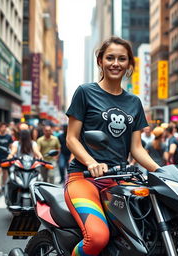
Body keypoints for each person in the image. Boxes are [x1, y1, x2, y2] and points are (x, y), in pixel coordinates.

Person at [65, 36, 160, 256]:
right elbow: (71, 138)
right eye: (110, 58)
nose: (115, 63)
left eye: (121, 59)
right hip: (84, 177)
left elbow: (136, 149)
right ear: (100, 61)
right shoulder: (85, 92)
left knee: (146, 231)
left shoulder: (134, 102)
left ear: (129, 64)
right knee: (97, 238)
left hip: (120, 180)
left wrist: (162, 171)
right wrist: (91, 162)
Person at [0, 122, 13, 194]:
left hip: (6, 156)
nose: (3, 128)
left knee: (5, 171)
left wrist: (11, 154)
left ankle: (3, 184)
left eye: (5, 127)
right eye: (2, 127)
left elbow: (11, 146)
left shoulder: (8, 136)